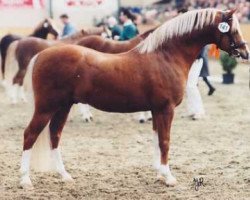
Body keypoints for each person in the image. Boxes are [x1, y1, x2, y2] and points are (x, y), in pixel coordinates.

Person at [186, 50, 205, 120]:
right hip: (189, 59)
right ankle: (192, 110)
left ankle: (199, 111)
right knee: (188, 86)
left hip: (196, 60)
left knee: (191, 85)